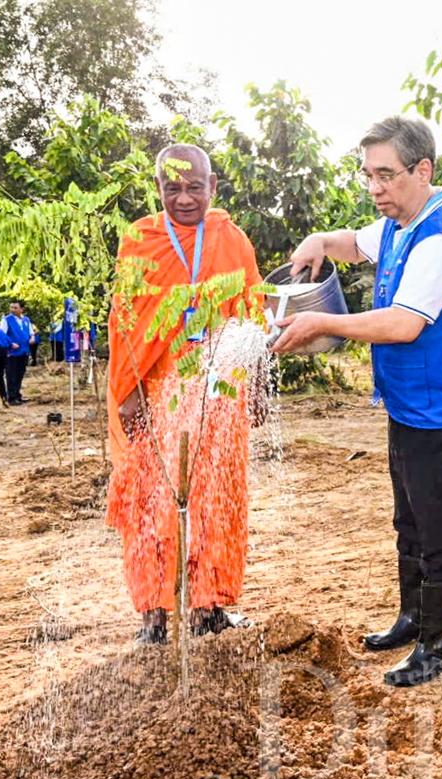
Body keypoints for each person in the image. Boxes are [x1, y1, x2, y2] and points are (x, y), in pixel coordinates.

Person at [271, 116, 442, 688]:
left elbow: (403, 324)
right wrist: (318, 242)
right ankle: (413, 619)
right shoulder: (398, 221)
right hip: (408, 404)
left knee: (441, 528)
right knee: (409, 520)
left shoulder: (440, 238)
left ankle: (438, 648)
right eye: (368, 176)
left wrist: (323, 320)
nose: (375, 189)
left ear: (424, 171)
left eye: (386, 176)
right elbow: (351, 243)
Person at [107, 143, 263, 646]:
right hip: (157, 389)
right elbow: (125, 317)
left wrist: (255, 383)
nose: (184, 198)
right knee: (150, 502)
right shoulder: (140, 241)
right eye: (172, 188)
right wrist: (128, 390)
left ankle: (208, 608)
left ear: (213, 186)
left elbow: (251, 313)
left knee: (217, 499)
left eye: (194, 186)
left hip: (219, 393)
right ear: (158, 189)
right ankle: (153, 614)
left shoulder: (232, 240)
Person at [0, 300, 34, 403]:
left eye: (15, 308)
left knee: (20, 373)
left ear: (22, 309)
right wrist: (10, 343)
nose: (13, 310)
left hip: (24, 350)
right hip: (12, 352)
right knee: (11, 374)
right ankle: (11, 397)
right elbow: (2, 334)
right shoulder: (7, 320)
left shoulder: (26, 320)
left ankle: (17, 394)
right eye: (11, 307)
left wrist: (32, 338)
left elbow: (32, 332)